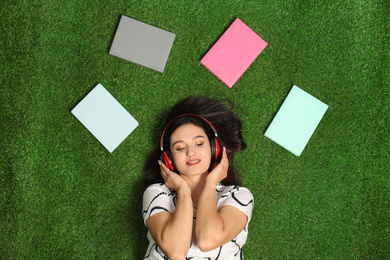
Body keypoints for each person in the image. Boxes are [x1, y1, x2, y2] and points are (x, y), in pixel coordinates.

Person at [142, 96, 254, 260]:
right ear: (169, 158)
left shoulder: (238, 196)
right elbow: (176, 252)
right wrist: (182, 190)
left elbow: (208, 240)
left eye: (199, 143)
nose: (190, 152)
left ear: (214, 148)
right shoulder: (157, 193)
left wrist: (210, 184)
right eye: (180, 148)